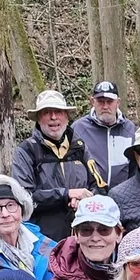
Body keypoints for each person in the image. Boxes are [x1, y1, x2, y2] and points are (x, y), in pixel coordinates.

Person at [12, 88, 106, 241]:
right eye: (46, 112)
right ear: (38, 118)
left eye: (58, 112)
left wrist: (85, 199)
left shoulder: (80, 147)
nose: (53, 117)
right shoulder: (26, 151)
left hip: (84, 235)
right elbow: (23, 198)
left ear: (67, 116)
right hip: (42, 239)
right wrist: (65, 194)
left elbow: (100, 186)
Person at [73, 80, 137, 183]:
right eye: (101, 101)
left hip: (122, 195)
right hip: (90, 195)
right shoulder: (78, 129)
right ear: (92, 102)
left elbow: (134, 166)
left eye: (110, 101)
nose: (105, 106)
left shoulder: (129, 129)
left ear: (118, 102)